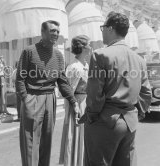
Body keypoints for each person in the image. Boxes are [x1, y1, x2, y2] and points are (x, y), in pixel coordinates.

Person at [81, 12, 152, 166]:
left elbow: (94, 93)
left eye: (103, 27)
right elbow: (146, 93)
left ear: (111, 29)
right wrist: (137, 113)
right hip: (129, 121)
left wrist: (92, 115)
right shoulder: (139, 60)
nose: (102, 31)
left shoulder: (100, 55)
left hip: (105, 120)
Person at [16, 20, 80, 166]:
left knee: (47, 139)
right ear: (43, 32)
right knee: (30, 142)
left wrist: (73, 101)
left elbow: (62, 81)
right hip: (32, 97)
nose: (56, 34)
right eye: (52, 31)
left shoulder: (58, 55)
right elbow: (20, 78)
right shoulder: (29, 51)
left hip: (50, 98)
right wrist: (25, 99)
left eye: (57, 31)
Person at [59, 35, 91, 166]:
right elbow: (67, 90)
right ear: (83, 48)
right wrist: (73, 106)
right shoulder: (74, 67)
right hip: (77, 103)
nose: (91, 47)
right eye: (89, 44)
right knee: (76, 133)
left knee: (85, 135)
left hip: (86, 102)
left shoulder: (86, 65)